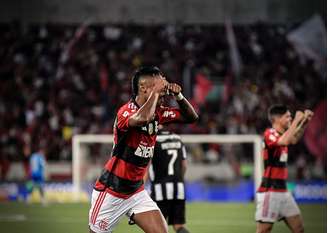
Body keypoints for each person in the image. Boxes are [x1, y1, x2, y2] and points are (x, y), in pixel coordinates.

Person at [88, 66, 198, 233]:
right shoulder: (126, 112)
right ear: (143, 88)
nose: (163, 91)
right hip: (111, 191)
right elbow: (143, 118)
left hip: (135, 192)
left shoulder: (159, 112)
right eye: (159, 86)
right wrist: (156, 93)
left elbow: (192, 117)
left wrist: (179, 96)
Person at [255, 104, 314, 233]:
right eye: (288, 117)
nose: (290, 119)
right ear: (278, 119)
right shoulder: (269, 133)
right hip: (269, 191)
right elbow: (286, 141)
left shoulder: (282, 135)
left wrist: (305, 122)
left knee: (299, 229)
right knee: (264, 231)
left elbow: (293, 139)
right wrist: (298, 120)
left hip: (283, 192)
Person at [148, 127, 190, 233]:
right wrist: (180, 179)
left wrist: (141, 187)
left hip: (160, 189)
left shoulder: (153, 140)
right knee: (179, 225)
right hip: (178, 188)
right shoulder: (178, 139)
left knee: (157, 227)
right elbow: (184, 165)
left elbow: (146, 167)